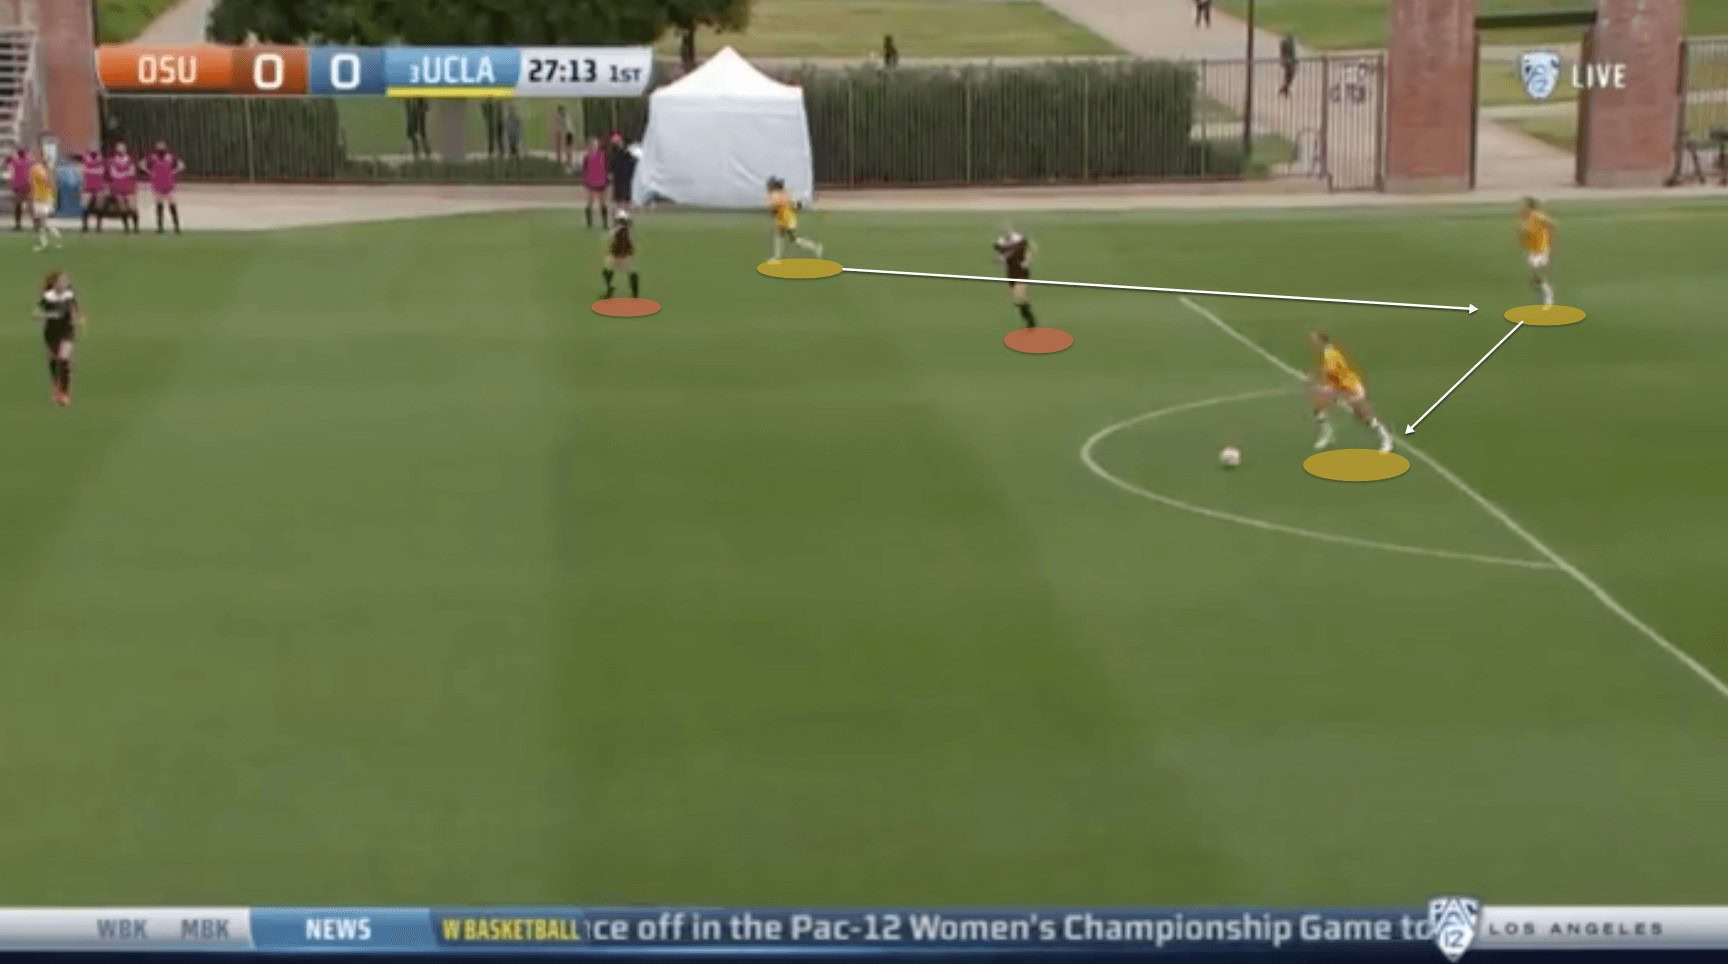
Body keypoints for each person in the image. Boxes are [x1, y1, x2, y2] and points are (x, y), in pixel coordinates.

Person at [1309, 331, 1394, 453]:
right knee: (1318, 407)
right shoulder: (1326, 353)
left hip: (1350, 387)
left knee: (1363, 417)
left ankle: (1385, 437)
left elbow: (1331, 372)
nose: (1312, 344)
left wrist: (1320, 382)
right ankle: (1327, 433)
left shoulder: (1331, 355)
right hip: (1338, 387)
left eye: (1314, 341)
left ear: (1321, 341)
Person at [36, 268, 82, 407]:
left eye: (65, 281)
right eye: (61, 281)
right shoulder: (48, 297)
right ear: (54, 284)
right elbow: (36, 313)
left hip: (67, 331)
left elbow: (75, 308)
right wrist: (50, 315)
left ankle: (64, 393)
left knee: (64, 360)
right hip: (51, 332)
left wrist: (77, 319)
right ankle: (57, 385)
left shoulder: (69, 295)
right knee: (54, 360)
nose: (63, 283)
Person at [993, 228, 1039, 329]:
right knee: (1017, 301)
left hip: (1021, 274)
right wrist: (1000, 257)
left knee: (1019, 299)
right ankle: (1029, 318)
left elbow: (1028, 252)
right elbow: (999, 258)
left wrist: (1026, 262)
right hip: (1011, 274)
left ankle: (1031, 322)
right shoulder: (1006, 251)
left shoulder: (1021, 248)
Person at [767, 176, 822, 260]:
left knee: (793, 239)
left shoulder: (775, 195)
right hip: (787, 217)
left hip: (786, 219)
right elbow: (794, 204)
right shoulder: (785, 192)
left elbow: (774, 209)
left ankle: (815, 247)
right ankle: (777, 256)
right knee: (779, 236)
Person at [1518, 197, 1556, 306]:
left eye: (1525, 206)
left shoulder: (1538, 217)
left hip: (1541, 247)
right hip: (1533, 248)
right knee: (1534, 268)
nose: (1522, 208)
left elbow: (1551, 225)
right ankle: (1539, 282)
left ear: (1530, 207)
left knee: (1538, 269)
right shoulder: (1526, 217)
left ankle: (1548, 293)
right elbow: (1524, 231)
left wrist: (1550, 239)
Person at [145, 141, 185, 234]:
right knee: (159, 206)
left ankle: (176, 227)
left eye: (162, 147)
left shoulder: (170, 157)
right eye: (159, 147)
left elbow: (181, 165)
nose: (161, 149)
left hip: (169, 185)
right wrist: (151, 173)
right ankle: (160, 227)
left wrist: (174, 172)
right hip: (157, 185)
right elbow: (144, 165)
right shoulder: (152, 158)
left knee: (172, 205)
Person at [27, 149, 61, 251]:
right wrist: (31, 197)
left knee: (44, 221)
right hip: (38, 198)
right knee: (41, 222)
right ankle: (49, 241)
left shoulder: (47, 169)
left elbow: (52, 184)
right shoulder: (34, 169)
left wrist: (54, 198)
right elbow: (31, 183)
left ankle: (52, 240)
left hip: (46, 198)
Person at [602, 209, 640, 300]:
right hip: (627, 254)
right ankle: (635, 293)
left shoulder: (616, 230)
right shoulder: (629, 230)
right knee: (632, 272)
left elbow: (610, 238)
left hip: (616, 254)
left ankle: (610, 288)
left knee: (607, 270)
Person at [107, 141, 139, 233]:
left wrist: (120, 174)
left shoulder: (130, 160)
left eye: (122, 148)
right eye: (119, 148)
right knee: (122, 208)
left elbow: (132, 172)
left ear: (125, 149)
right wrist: (125, 173)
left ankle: (136, 228)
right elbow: (113, 174)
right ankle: (126, 228)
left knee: (133, 207)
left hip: (129, 187)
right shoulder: (113, 161)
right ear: (116, 150)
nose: (121, 150)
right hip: (118, 187)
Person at [579, 136, 610, 229]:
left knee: (602, 202)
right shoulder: (587, 156)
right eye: (593, 144)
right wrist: (585, 180)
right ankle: (589, 222)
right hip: (591, 182)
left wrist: (607, 178)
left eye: (596, 144)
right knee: (590, 201)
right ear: (590, 145)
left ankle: (605, 223)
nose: (595, 145)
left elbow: (606, 167)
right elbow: (584, 169)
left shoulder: (603, 155)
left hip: (602, 182)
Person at [80, 146, 109, 233]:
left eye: (95, 149)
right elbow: (84, 171)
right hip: (87, 186)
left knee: (99, 207)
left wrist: (91, 170)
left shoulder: (102, 160)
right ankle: (85, 226)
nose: (94, 150)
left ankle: (98, 226)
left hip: (99, 186)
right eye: (92, 148)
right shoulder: (85, 159)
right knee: (85, 206)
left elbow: (102, 172)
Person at [606, 133, 636, 217]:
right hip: (619, 178)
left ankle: (624, 215)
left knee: (625, 198)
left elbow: (632, 164)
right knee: (619, 198)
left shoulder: (627, 153)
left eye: (619, 142)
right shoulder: (614, 154)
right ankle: (620, 215)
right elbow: (611, 166)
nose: (619, 143)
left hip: (626, 178)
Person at [6, 145, 30, 231]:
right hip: (26, 186)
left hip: (18, 187)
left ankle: (18, 224)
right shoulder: (28, 161)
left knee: (18, 206)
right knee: (28, 205)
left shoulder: (15, 161)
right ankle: (36, 224)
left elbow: (8, 160)